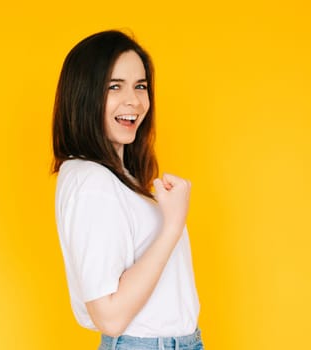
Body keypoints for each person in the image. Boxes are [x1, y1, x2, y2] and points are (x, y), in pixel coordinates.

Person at [52, 30, 203, 350]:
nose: (134, 100)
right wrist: (172, 224)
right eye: (114, 86)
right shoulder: (92, 181)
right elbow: (109, 316)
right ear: (84, 94)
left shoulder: (115, 178)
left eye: (141, 86)